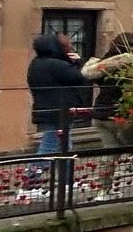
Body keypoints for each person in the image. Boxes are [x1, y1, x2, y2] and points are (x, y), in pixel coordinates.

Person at [26, 33, 95, 182]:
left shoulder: (36, 63)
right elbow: (79, 78)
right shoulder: (57, 65)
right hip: (58, 112)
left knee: (65, 146)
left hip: (46, 110)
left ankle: (66, 181)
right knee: (50, 146)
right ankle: (30, 181)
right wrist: (78, 62)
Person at [86, 33, 133, 180]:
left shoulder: (103, 64)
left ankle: (103, 189)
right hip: (123, 113)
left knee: (109, 152)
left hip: (100, 113)